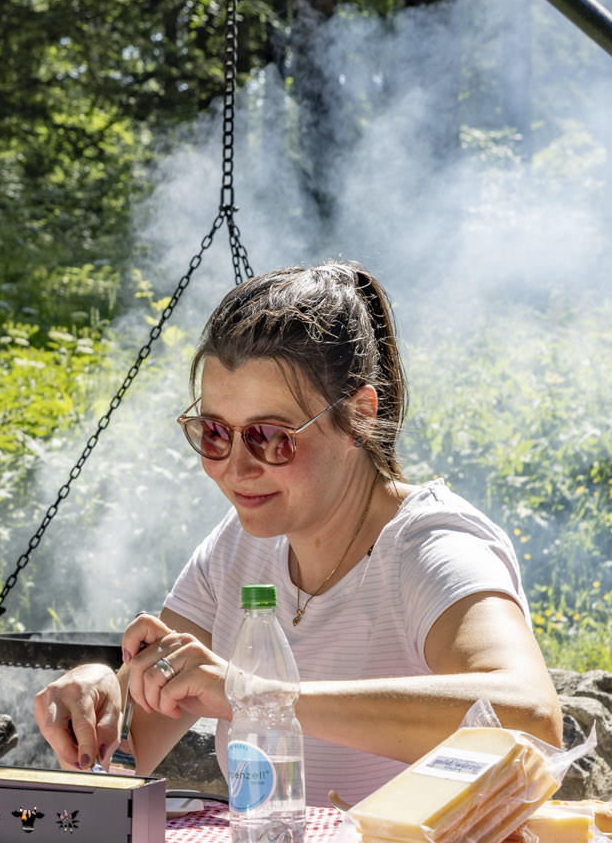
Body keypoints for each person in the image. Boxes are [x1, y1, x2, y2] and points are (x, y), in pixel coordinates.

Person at [33, 261, 562, 807]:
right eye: (214, 433)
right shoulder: (237, 549)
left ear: (358, 416)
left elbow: (532, 718)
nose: (236, 468)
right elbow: (124, 756)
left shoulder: (433, 546)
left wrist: (257, 697)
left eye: (270, 437)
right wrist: (101, 698)